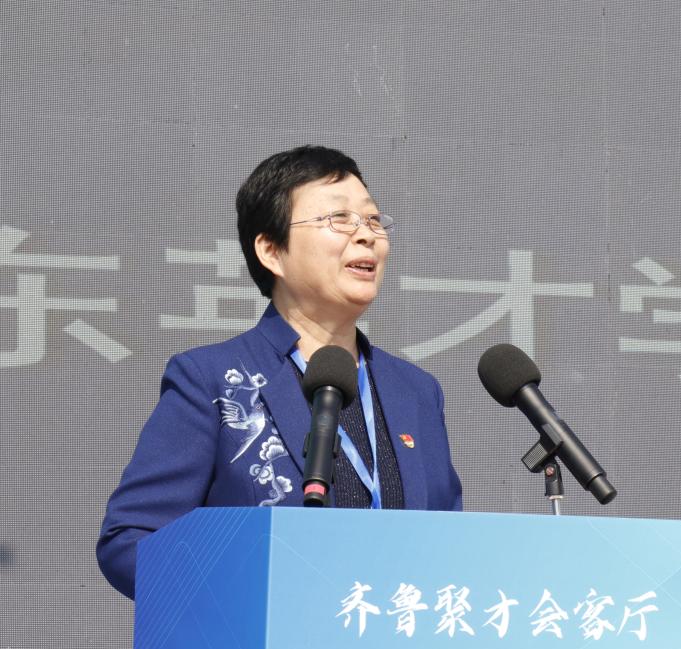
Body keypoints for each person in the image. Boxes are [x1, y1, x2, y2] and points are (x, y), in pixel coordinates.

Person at [97, 146, 462, 599]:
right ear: (271, 251)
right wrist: (246, 598)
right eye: (339, 219)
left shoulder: (415, 391)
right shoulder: (211, 379)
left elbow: (451, 544)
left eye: (372, 220)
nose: (366, 236)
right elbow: (132, 541)